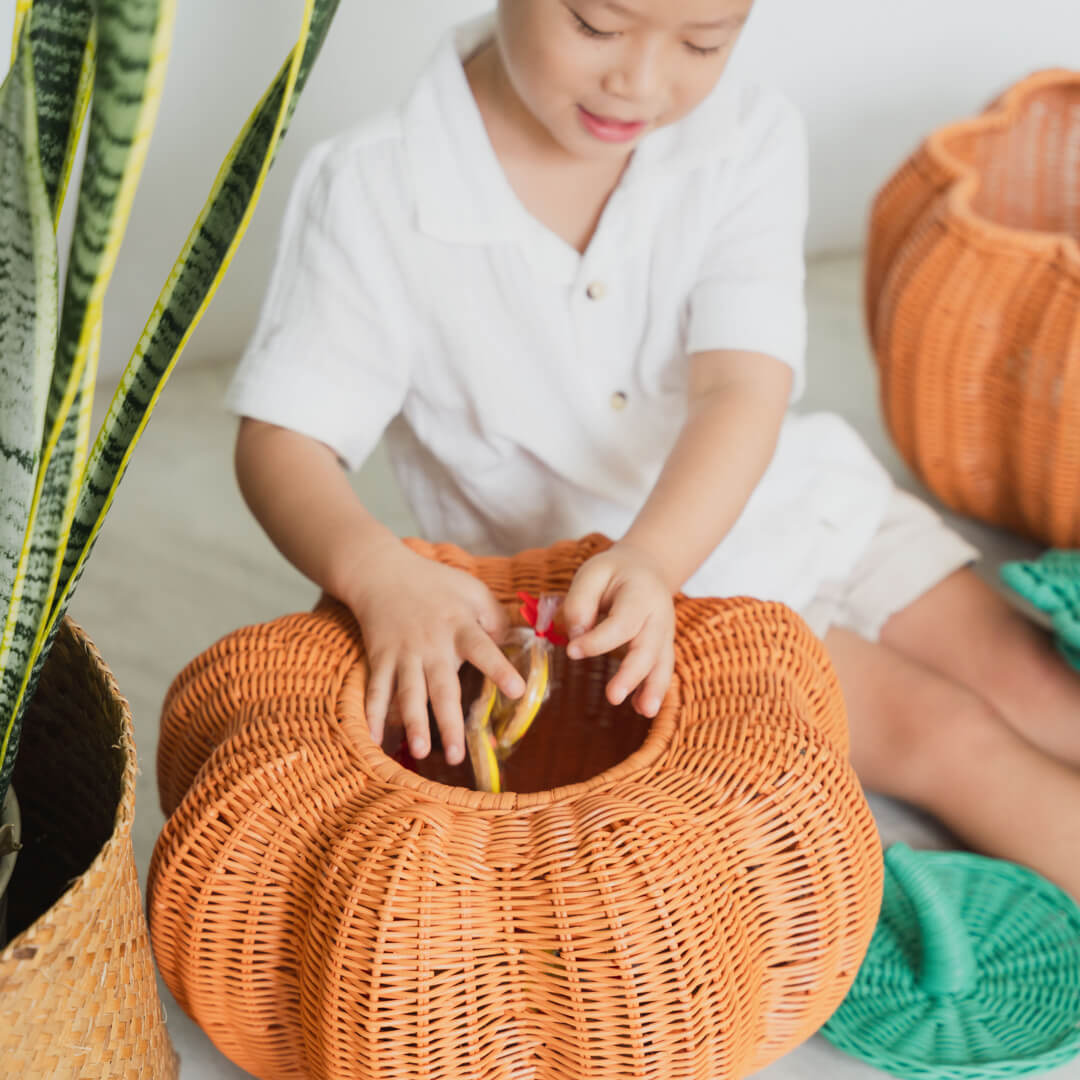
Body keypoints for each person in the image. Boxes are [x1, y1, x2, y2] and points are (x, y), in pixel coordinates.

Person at [228, 0, 1080, 899]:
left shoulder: (746, 134)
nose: (638, 81)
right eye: (597, 27)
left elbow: (740, 387)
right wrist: (375, 572)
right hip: (639, 616)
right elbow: (284, 438)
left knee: (1029, 681)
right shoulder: (374, 186)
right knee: (948, 735)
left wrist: (656, 553)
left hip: (798, 498)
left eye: (704, 42)